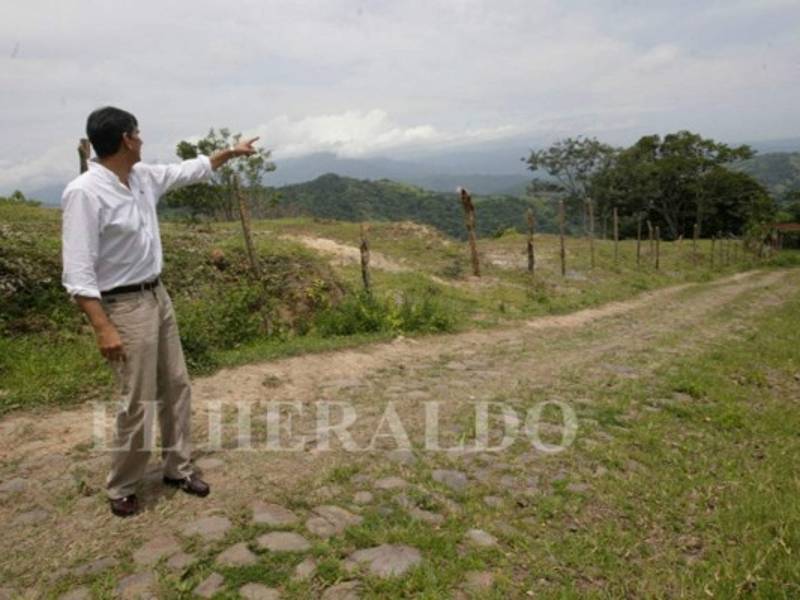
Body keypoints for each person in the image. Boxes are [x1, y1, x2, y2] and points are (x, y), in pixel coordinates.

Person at [61, 106, 258, 517]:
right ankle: (123, 484)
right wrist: (102, 327)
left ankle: (177, 467)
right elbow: (77, 272)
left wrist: (230, 152)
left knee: (176, 385)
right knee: (137, 399)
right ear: (125, 140)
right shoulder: (85, 193)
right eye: (137, 133)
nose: (142, 139)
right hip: (123, 306)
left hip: (157, 295)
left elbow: (190, 169)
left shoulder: (142, 177)